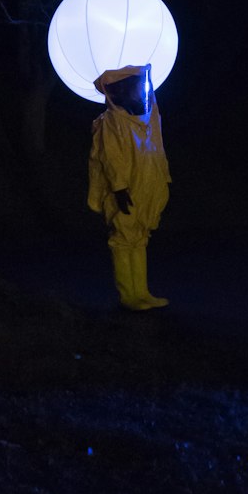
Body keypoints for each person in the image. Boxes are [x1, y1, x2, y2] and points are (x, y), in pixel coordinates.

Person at [87, 64, 171, 310]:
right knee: (124, 239)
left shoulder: (146, 120)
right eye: (135, 86)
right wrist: (119, 188)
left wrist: (163, 181)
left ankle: (141, 292)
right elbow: (111, 158)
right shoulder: (111, 122)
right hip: (125, 190)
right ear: (119, 91)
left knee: (140, 237)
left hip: (146, 187)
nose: (140, 91)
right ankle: (129, 296)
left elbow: (156, 143)